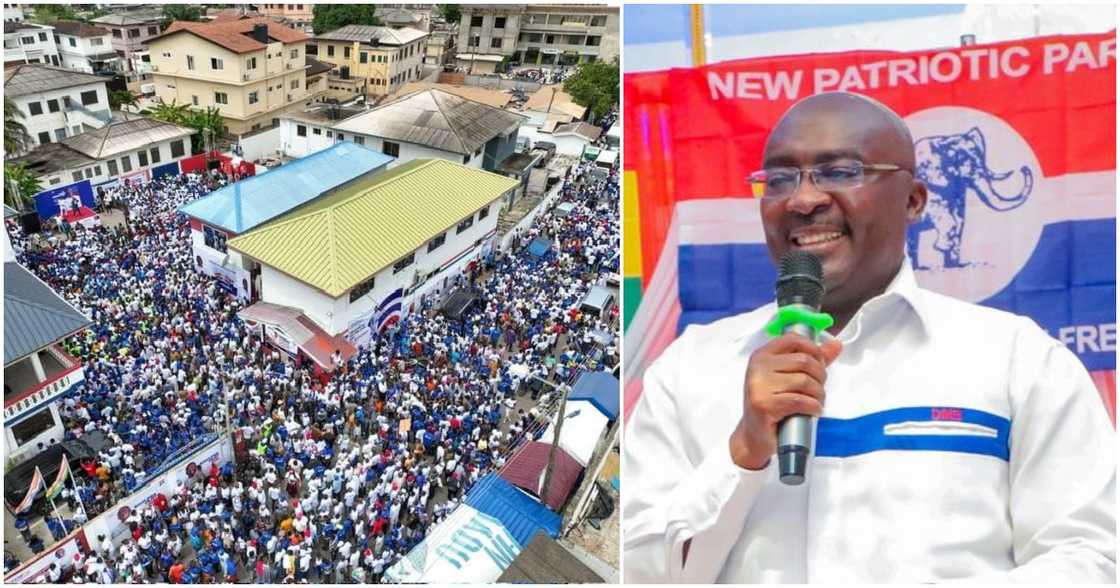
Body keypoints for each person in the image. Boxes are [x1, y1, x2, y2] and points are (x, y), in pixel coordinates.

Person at [622, 92, 1116, 583]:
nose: (803, 199)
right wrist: (742, 454)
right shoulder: (689, 371)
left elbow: (1091, 560)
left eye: (840, 172)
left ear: (914, 200)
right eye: (778, 179)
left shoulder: (1018, 361)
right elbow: (643, 573)